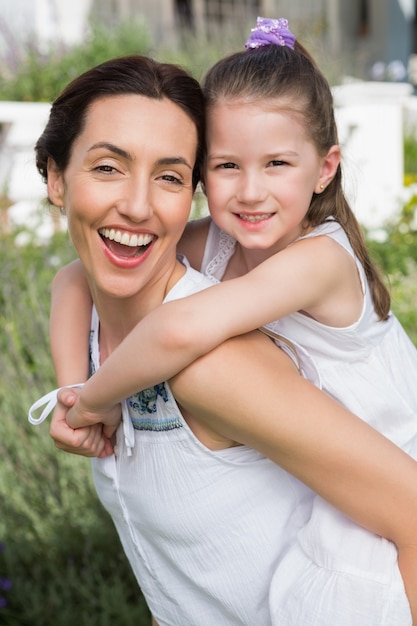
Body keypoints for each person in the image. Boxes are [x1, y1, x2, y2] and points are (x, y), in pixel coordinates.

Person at [28, 44, 417, 626]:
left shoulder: (315, 262)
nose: (251, 191)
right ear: (55, 177)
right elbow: (71, 280)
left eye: (167, 176)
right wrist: (70, 386)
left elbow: (179, 328)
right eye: (227, 166)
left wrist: (91, 403)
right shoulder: (213, 247)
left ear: (326, 168)